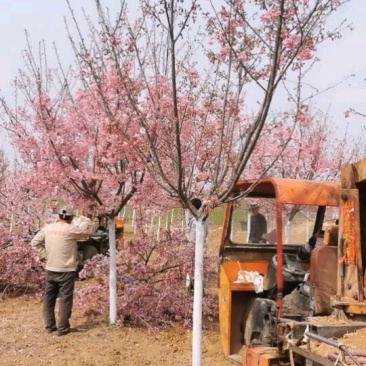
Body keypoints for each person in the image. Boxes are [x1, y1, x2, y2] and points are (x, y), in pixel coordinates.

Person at [31, 205, 99, 336]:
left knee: (49, 298)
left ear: (59, 216)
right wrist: (90, 220)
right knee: (65, 299)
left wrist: (45, 256)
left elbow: (34, 243)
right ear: (71, 217)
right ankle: (63, 328)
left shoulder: (48, 228)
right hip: (66, 270)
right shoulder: (71, 229)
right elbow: (88, 232)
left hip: (51, 268)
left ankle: (50, 326)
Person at [185, 198, 208, 290]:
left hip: (197, 244)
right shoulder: (192, 218)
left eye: (191, 207)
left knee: (197, 264)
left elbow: (204, 232)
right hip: (191, 243)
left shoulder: (202, 219)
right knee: (189, 263)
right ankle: (190, 283)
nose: (189, 209)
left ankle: (196, 285)